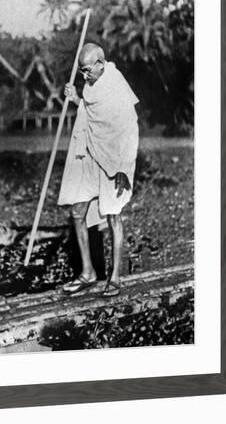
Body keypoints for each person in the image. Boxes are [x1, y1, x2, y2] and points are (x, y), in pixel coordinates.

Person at [57, 42, 139, 296]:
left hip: (114, 161)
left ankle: (114, 278)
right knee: (77, 211)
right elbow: (91, 114)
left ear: (101, 64)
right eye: (81, 71)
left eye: (87, 70)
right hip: (90, 154)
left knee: (114, 215)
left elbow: (129, 129)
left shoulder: (116, 85)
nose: (84, 76)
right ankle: (88, 272)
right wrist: (75, 99)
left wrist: (124, 167)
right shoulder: (91, 86)